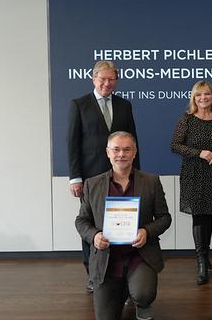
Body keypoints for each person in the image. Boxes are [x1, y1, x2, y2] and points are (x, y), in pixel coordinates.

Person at [75, 131, 171, 320]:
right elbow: (82, 221)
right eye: (116, 149)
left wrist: (146, 231)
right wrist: (94, 235)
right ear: (108, 152)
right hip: (107, 259)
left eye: (127, 149)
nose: (121, 154)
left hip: (139, 255)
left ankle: (141, 300)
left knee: (143, 293)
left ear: (135, 153)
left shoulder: (151, 182)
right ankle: (124, 289)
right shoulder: (92, 184)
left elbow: (164, 218)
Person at [67, 60, 140, 291]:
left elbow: (133, 142)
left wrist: (136, 173)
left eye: (111, 79)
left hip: (122, 176)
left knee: (123, 223)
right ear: (93, 78)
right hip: (90, 177)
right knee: (92, 225)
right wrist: (75, 177)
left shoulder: (124, 105)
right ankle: (93, 276)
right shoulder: (79, 104)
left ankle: (122, 274)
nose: (107, 83)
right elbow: (72, 143)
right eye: (103, 79)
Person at [171, 81, 212, 285]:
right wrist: (200, 153)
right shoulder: (187, 120)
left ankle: (206, 259)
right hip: (193, 174)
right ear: (193, 98)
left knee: (208, 216)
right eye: (199, 95)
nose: (203, 98)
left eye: (206, 94)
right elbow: (175, 146)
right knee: (198, 217)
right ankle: (200, 262)